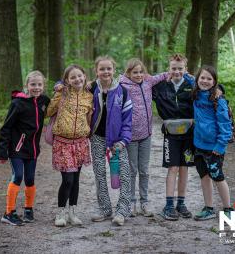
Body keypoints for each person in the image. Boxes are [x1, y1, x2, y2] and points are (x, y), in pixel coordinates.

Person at [0, 70, 50, 226]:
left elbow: (56, 105)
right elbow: (6, 127)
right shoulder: (17, 103)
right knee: (18, 176)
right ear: (26, 85)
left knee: (30, 179)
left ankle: (28, 210)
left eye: (39, 84)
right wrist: (2, 151)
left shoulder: (44, 101)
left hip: (33, 149)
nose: (36, 87)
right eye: (33, 84)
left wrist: (61, 87)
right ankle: (9, 213)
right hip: (17, 148)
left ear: (43, 86)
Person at [119, 58, 168, 217]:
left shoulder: (148, 82)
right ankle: (131, 202)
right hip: (130, 137)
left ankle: (144, 201)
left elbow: (163, 76)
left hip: (146, 135)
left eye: (141, 72)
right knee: (132, 170)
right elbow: (102, 82)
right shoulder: (122, 85)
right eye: (135, 72)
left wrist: (184, 74)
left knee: (144, 170)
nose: (138, 75)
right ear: (128, 73)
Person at [46, 65, 93, 227]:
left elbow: (90, 117)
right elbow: (49, 111)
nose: (77, 79)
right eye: (72, 77)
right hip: (63, 143)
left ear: (84, 76)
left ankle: (72, 212)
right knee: (67, 180)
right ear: (67, 80)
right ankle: (60, 213)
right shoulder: (62, 93)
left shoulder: (89, 96)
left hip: (80, 143)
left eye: (79, 76)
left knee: (76, 180)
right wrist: (57, 93)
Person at [89, 55, 133, 226]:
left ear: (114, 70)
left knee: (124, 173)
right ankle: (105, 209)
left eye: (109, 68)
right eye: (102, 69)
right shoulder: (91, 89)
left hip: (117, 141)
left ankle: (122, 210)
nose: (106, 71)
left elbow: (127, 120)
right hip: (98, 138)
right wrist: (58, 86)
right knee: (99, 174)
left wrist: (124, 140)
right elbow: (69, 88)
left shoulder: (122, 92)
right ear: (96, 71)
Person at [152, 54, 195, 221]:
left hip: (188, 134)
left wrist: (193, 78)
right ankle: (169, 205)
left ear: (185, 69)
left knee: (184, 168)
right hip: (170, 134)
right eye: (173, 68)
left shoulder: (192, 84)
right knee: (173, 168)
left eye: (180, 68)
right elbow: (142, 84)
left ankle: (181, 203)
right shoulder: (161, 86)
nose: (177, 72)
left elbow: (211, 85)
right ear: (168, 69)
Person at [192, 65, 234, 221]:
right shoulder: (195, 93)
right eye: (202, 77)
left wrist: (221, 145)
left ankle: (228, 208)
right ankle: (208, 208)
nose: (205, 81)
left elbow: (225, 125)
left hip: (215, 148)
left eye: (209, 79)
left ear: (214, 82)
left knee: (218, 177)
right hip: (199, 145)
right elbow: (186, 75)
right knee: (204, 177)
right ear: (197, 79)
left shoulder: (218, 99)